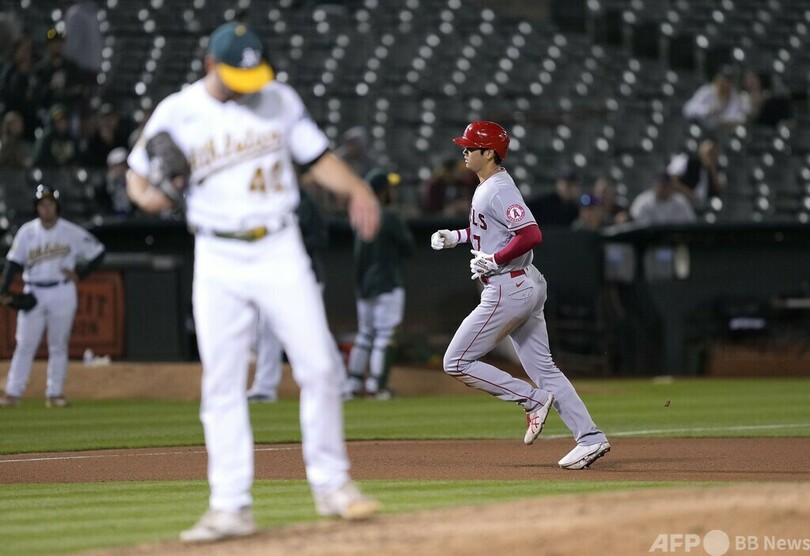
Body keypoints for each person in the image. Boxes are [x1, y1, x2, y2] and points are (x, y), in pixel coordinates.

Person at [125, 22, 381, 543]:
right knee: (221, 382)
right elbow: (137, 177)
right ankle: (230, 506)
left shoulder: (278, 99)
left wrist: (358, 190)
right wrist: (149, 197)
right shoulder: (178, 110)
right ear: (210, 65)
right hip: (216, 252)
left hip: (278, 246)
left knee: (319, 364)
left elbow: (317, 158)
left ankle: (333, 485)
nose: (249, 82)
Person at [430, 121, 610, 470]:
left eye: (470, 146)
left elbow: (531, 234)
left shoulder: (496, 188)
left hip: (507, 286)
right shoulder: (491, 186)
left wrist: (494, 259)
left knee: (455, 361)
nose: (464, 151)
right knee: (545, 369)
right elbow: (489, 229)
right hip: (524, 282)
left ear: (489, 153)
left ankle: (531, 400)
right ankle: (590, 438)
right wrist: (456, 237)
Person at [0, 184, 106, 408]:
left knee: (58, 345)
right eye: (42, 204)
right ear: (36, 207)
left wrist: (81, 273)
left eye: (49, 204)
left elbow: (98, 252)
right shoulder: (27, 232)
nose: (46, 208)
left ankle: (55, 393)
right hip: (34, 290)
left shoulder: (70, 232)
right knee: (25, 344)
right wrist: (3, 289)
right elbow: (13, 263)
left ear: (56, 206)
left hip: (62, 290)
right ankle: (13, 392)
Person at [247, 186, 331, 403]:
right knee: (266, 332)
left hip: (306, 275)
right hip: (273, 276)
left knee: (315, 333)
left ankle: (339, 386)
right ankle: (264, 388)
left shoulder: (303, 200)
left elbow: (321, 236)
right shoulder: (262, 200)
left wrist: (293, 244)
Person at [346, 169, 415, 399]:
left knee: (365, 334)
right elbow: (408, 247)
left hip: (364, 284)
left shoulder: (360, 214)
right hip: (388, 281)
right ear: (382, 191)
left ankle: (354, 383)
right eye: (389, 188)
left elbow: (358, 257)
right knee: (384, 335)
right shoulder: (389, 216)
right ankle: (377, 385)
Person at [666, 138, 726, 208]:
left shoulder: (717, 170)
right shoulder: (686, 160)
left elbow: (720, 191)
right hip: (681, 203)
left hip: (704, 207)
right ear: (701, 150)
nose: (711, 156)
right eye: (709, 152)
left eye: (714, 153)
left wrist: (712, 169)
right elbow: (671, 180)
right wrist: (690, 195)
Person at [682, 68, 747, 131]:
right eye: (723, 80)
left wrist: (728, 120)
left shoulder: (734, 95)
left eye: (728, 81)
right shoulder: (706, 91)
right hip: (703, 129)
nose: (725, 84)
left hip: (723, 131)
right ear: (717, 80)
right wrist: (708, 110)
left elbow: (741, 116)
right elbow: (688, 109)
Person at [629, 172, 697, 224]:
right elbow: (636, 223)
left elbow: (690, 221)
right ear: (654, 186)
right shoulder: (643, 202)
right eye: (660, 186)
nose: (663, 189)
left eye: (666, 186)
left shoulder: (680, 201)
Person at [31, 104, 80, 168]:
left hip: (68, 176)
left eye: (64, 120)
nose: (62, 123)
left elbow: (77, 158)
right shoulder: (47, 138)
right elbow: (38, 159)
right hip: (49, 174)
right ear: (53, 122)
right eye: (58, 121)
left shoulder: (71, 139)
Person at [94, 146, 134, 216]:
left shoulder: (132, 181)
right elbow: (100, 199)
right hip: (112, 217)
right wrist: (108, 181)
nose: (121, 169)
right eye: (118, 166)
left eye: (124, 165)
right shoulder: (105, 184)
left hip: (132, 217)